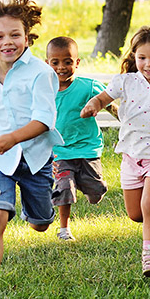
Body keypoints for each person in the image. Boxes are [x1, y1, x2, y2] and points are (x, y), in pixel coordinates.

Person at [0, 0, 63, 299]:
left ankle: (38, 210)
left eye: (15, 35)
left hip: (34, 158)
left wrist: (14, 138)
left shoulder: (41, 73)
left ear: (27, 37)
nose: (8, 42)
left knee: (42, 223)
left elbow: (44, 120)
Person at [81, 25, 150, 277]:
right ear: (134, 57)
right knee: (136, 214)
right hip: (132, 157)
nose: (148, 63)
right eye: (142, 57)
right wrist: (93, 105)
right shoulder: (125, 82)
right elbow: (103, 98)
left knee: (149, 202)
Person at [45, 36, 118, 241]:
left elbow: (109, 103)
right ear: (47, 64)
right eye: (55, 62)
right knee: (63, 187)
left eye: (68, 62)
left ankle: (88, 186)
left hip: (87, 148)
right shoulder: (43, 91)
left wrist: (125, 120)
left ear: (77, 63)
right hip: (60, 151)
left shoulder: (88, 86)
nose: (62, 67)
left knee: (96, 193)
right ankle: (64, 229)